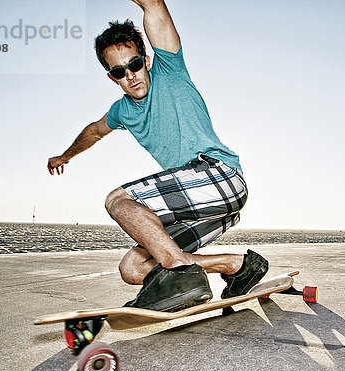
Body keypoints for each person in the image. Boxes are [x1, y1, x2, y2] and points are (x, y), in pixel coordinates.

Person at [47, 0, 268, 312]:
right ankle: (237, 265)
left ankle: (179, 271)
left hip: (222, 176)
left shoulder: (170, 69)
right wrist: (65, 156)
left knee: (117, 200)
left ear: (146, 60)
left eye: (135, 64)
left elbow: (154, 5)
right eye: (120, 71)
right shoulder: (121, 111)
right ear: (112, 77)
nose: (131, 76)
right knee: (133, 269)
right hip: (204, 209)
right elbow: (94, 131)